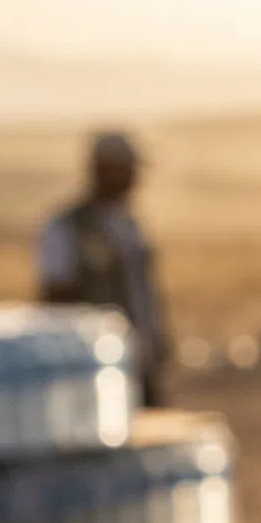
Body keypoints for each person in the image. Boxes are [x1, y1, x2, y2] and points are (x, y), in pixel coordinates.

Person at [39, 131, 170, 406]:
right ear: (104, 169)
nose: (136, 178)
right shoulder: (68, 228)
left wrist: (157, 338)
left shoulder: (130, 224)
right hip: (98, 368)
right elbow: (56, 300)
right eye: (127, 169)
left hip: (140, 363)